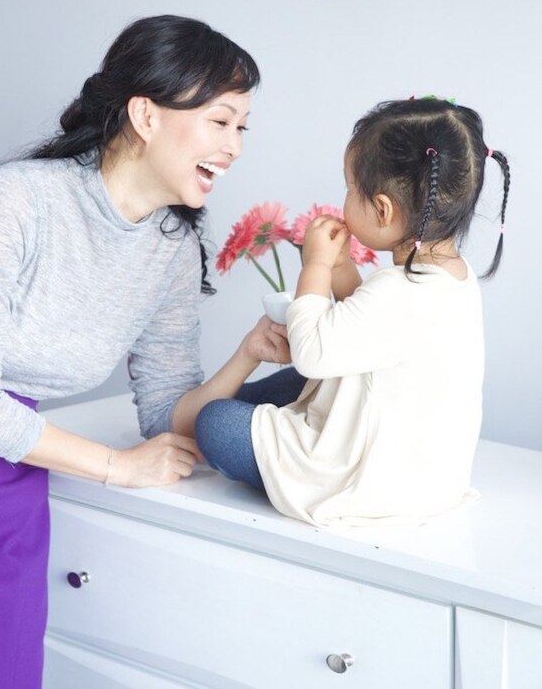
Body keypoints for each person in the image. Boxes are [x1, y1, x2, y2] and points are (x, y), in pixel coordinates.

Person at [0, 15, 293, 688]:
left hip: (3, 478)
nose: (234, 147)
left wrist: (248, 354)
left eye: (242, 128)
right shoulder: (12, 200)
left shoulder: (171, 248)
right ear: (145, 114)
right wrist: (117, 467)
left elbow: (166, 415)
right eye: (221, 121)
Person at [196, 97, 510, 528]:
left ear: (382, 209)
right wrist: (343, 268)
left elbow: (312, 351)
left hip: (371, 481)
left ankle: (259, 444)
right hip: (428, 477)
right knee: (296, 388)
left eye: (349, 188)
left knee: (215, 424)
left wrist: (316, 265)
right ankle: (249, 415)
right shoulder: (454, 279)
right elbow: (368, 330)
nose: (343, 197)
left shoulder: (399, 290)